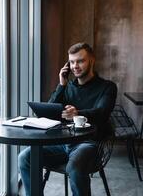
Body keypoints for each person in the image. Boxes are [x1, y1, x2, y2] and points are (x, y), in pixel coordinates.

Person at [18, 42, 117, 196]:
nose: (75, 66)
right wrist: (62, 84)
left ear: (92, 60)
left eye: (80, 61)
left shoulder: (107, 87)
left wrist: (77, 113)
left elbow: (102, 112)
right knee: (25, 157)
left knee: (75, 167)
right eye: (71, 62)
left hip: (89, 143)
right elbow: (48, 112)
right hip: (62, 143)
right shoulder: (68, 86)